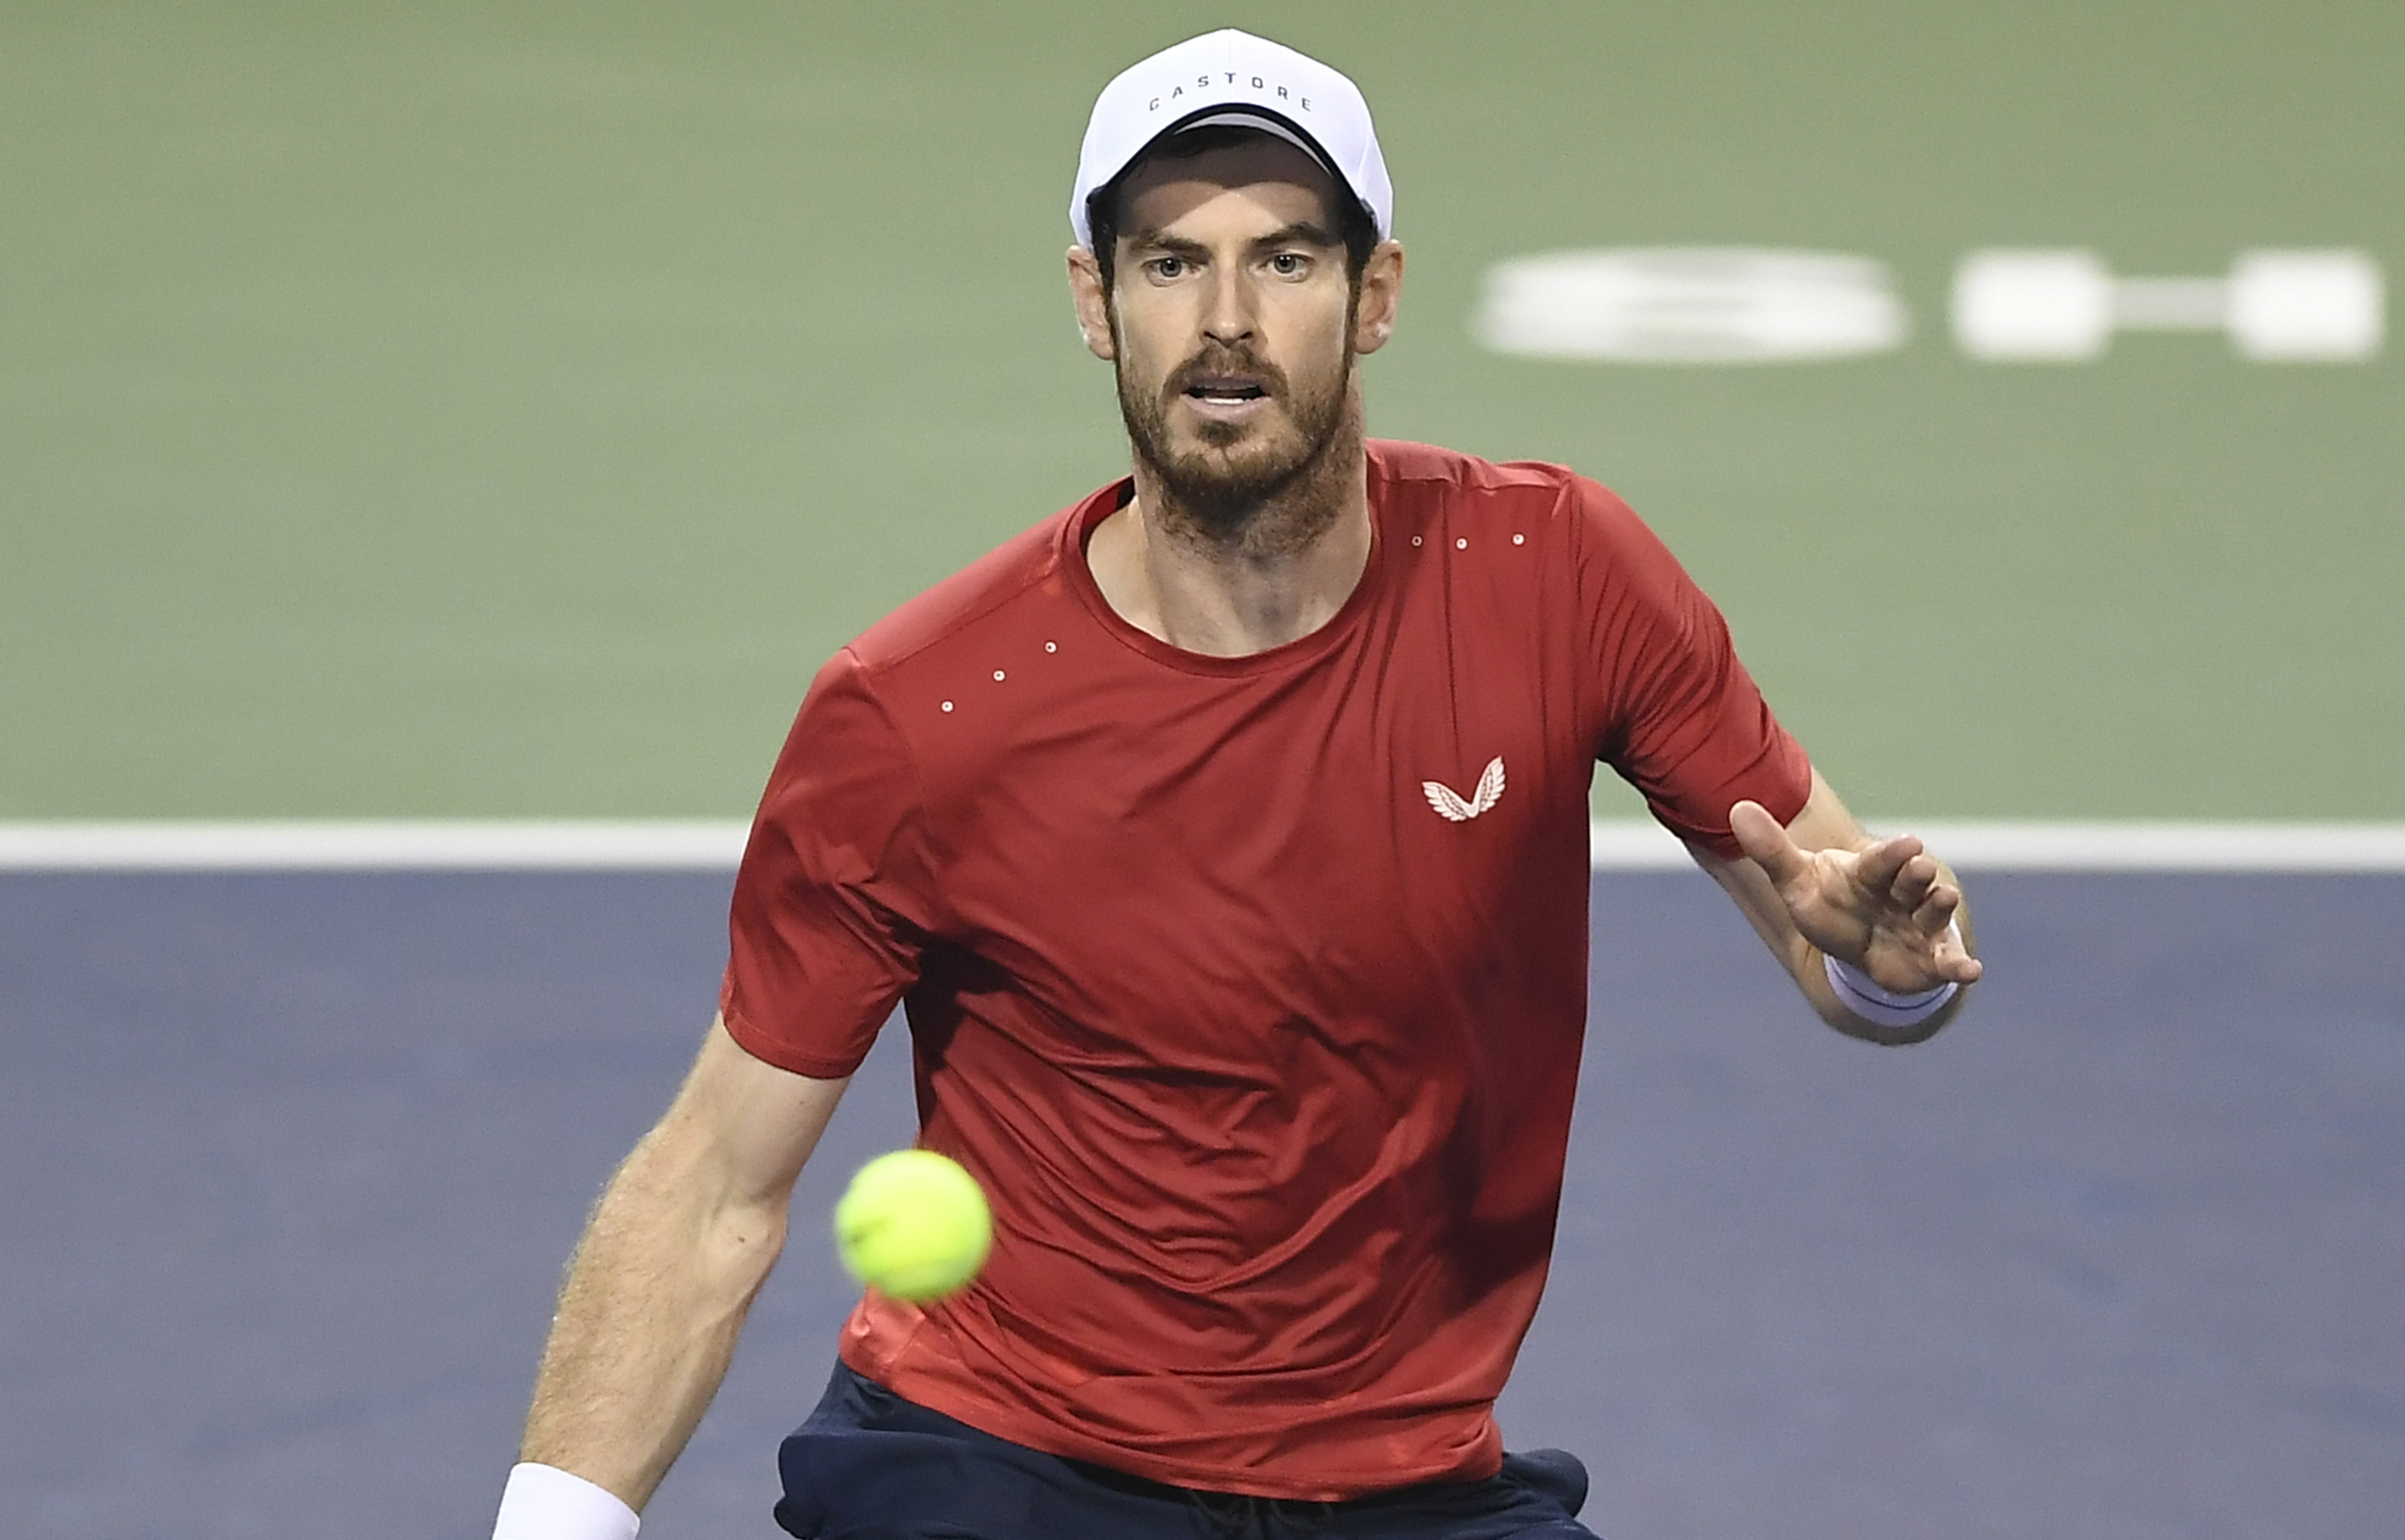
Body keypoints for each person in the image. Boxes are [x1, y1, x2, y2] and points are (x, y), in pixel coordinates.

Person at [489, 27, 1980, 1540]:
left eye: (1281, 261)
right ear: (1094, 300)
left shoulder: (1554, 576)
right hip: (1004, 1463)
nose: (1223, 323)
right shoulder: (923, 712)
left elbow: (1840, 943)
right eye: (1165, 262)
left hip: (1404, 1485)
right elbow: (713, 1187)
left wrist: (1895, 970)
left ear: (1374, 293)